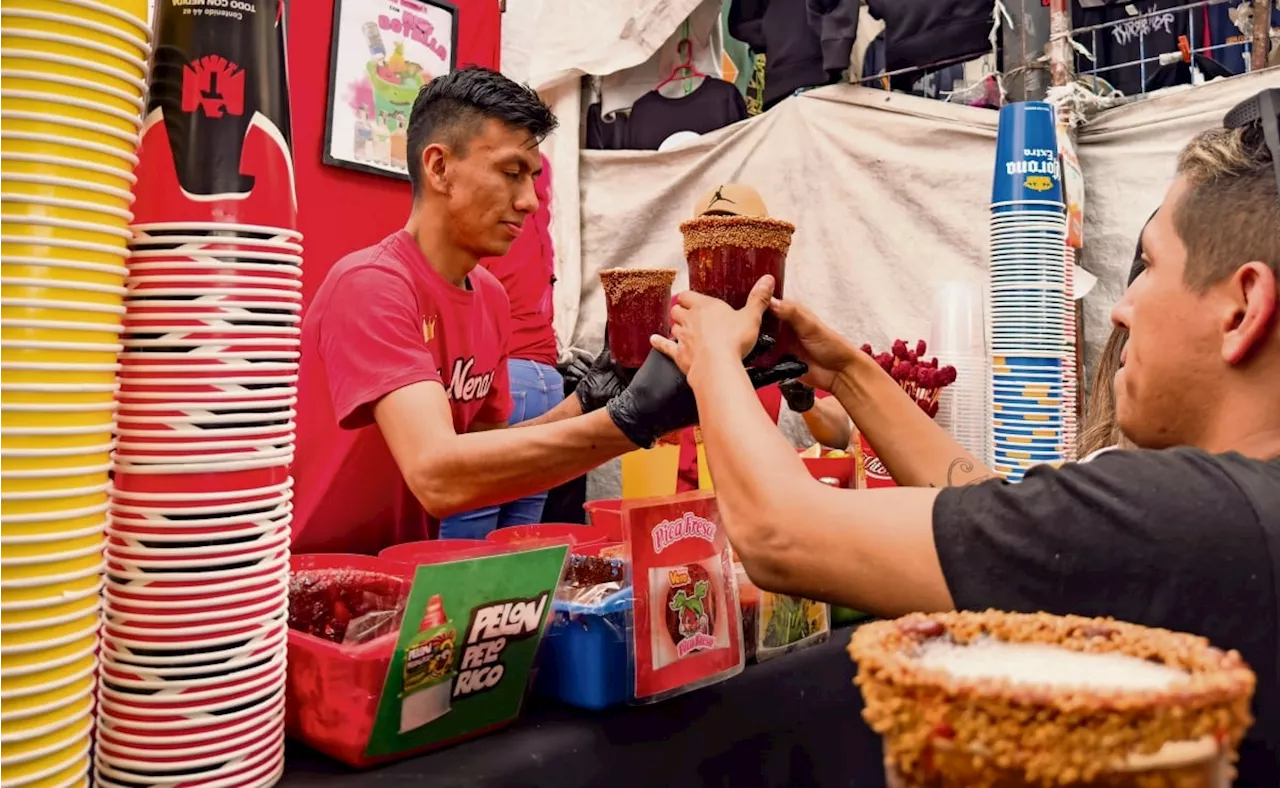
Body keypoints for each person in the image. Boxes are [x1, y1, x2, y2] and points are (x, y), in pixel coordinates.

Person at [653, 93, 1280, 783]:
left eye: (1151, 266)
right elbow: (1000, 514)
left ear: (1242, 307)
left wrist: (711, 354)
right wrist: (850, 374)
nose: (1123, 308)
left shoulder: (1196, 517)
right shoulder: (1236, 514)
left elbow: (779, 533)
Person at [291, 67, 799, 556]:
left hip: (393, 566)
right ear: (440, 167)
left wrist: (586, 404)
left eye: (533, 178)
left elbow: (483, 451)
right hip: (301, 574)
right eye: (512, 173)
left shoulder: (489, 298)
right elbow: (438, 476)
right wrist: (628, 423)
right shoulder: (374, 285)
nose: (531, 201)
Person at [439, 156, 563, 537]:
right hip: (550, 382)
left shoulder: (485, 226)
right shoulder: (538, 222)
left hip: (507, 379)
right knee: (519, 542)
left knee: (466, 544)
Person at [675, 380, 851, 492]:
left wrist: (808, 404)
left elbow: (839, 435)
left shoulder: (778, 346)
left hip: (740, 506)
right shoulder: (667, 331)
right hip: (663, 501)